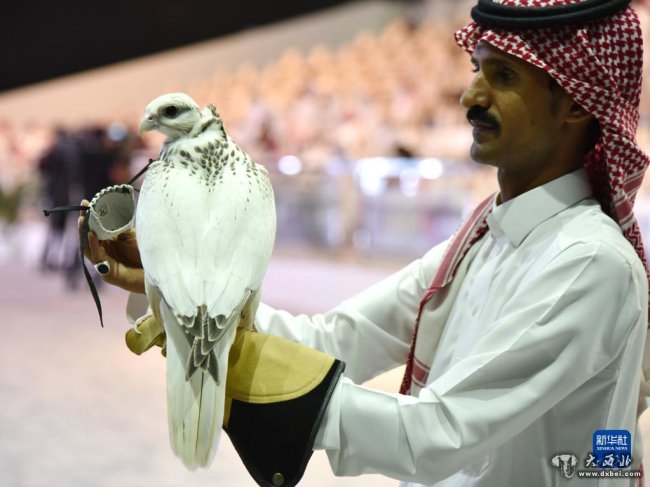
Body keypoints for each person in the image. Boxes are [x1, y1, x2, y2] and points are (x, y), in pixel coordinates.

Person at [81, 0, 650, 485]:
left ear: (577, 102)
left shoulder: (588, 264)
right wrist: (180, 300)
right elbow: (336, 339)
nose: (470, 95)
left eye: (502, 77)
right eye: (478, 69)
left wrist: (234, 356)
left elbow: (439, 434)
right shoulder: (483, 234)